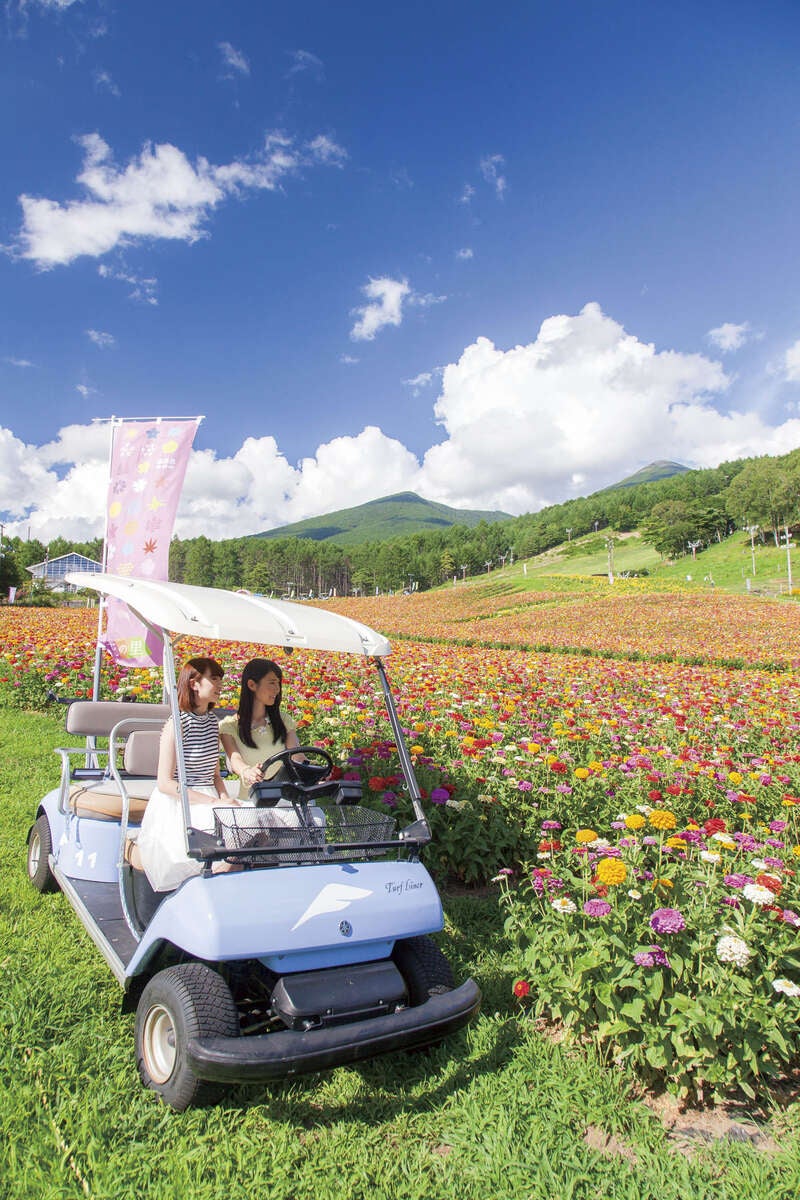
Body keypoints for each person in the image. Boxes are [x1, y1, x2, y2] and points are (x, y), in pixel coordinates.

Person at [137, 656, 238, 891]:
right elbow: (165, 783)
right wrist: (214, 802)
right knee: (224, 837)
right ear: (194, 683)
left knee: (253, 823)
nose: (219, 685)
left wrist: (223, 798)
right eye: (213, 679)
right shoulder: (177, 723)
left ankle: (228, 886)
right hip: (181, 799)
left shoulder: (212, 722)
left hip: (209, 794)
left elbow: (214, 775)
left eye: (220, 679)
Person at [219, 658, 302, 800]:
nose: (277, 689)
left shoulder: (284, 721)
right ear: (252, 685)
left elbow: (297, 757)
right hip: (252, 802)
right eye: (272, 683)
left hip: (285, 801)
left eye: (278, 683)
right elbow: (235, 759)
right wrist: (247, 771)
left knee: (317, 819)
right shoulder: (229, 726)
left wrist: (318, 771)